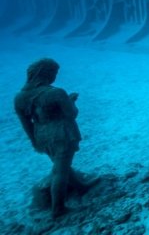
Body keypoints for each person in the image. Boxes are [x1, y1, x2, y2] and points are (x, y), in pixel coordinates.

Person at [14, 58, 93, 218]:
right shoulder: (56, 93)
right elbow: (72, 114)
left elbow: (26, 124)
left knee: (61, 165)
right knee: (60, 171)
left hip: (41, 135)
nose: (55, 76)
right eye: (54, 73)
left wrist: (34, 141)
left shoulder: (19, 98)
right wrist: (71, 101)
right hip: (62, 134)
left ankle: (80, 186)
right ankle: (58, 208)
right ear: (47, 73)